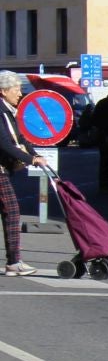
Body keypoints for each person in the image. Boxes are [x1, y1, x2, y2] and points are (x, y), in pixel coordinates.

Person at [0, 71, 51, 276]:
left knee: (9, 211)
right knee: (12, 211)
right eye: (16, 89)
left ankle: (14, 261)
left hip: (4, 169)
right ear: (3, 91)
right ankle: (14, 262)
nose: (20, 94)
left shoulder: (7, 111)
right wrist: (31, 160)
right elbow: (3, 143)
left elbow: (20, 138)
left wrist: (35, 154)